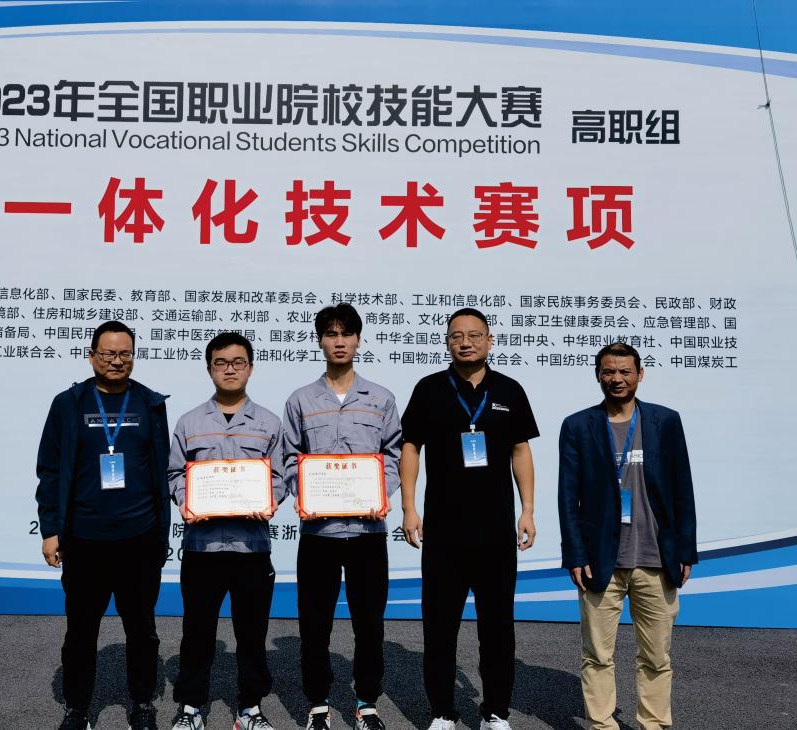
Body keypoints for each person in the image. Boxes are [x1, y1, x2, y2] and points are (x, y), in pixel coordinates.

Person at [400, 307, 539, 730]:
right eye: (457, 335)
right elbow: (411, 448)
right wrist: (409, 508)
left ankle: (495, 712)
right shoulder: (429, 389)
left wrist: (527, 510)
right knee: (440, 628)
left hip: (496, 533)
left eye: (475, 335)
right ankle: (442, 711)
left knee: (497, 628)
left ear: (490, 341)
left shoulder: (510, 390)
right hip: (444, 533)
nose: (465, 342)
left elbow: (520, 451)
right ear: (447, 342)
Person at [35, 320, 171, 730]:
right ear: (91, 355)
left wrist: (160, 534)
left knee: (142, 630)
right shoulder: (68, 404)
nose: (117, 361)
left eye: (125, 353)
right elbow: (49, 471)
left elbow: (161, 470)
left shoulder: (149, 403)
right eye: (108, 353)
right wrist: (51, 529)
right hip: (84, 540)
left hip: (139, 539)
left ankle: (142, 703)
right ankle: (77, 708)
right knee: (80, 631)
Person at [557, 342, 697, 730]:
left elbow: (682, 488)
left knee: (656, 657)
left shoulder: (665, 421)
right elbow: (568, 496)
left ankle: (653, 724)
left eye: (624, 371)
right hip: (600, 559)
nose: (616, 379)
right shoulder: (578, 425)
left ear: (639, 374)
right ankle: (603, 724)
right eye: (608, 371)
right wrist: (575, 554)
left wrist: (686, 549)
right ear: (598, 375)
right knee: (597, 655)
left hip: (657, 557)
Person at [281, 304, 401, 730]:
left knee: (370, 624)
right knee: (315, 625)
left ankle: (366, 703)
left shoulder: (381, 398)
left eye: (346, 334)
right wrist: (305, 493)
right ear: (320, 341)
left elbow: (393, 454)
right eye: (331, 334)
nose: (339, 341)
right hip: (319, 532)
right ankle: (318, 705)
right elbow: (289, 456)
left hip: (368, 531)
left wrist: (380, 493)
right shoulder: (300, 399)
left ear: (358, 341)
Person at [167, 333, 284, 730]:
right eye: (221, 362)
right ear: (209, 369)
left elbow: (280, 476)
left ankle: (250, 708)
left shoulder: (268, 422)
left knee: (252, 634)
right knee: (197, 631)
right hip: (202, 547)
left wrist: (269, 500)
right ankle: (191, 708)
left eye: (238, 362)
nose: (229, 369)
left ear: (250, 368)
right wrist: (188, 501)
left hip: (252, 548)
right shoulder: (189, 422)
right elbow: (175, 473)